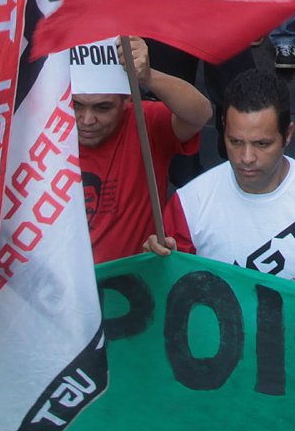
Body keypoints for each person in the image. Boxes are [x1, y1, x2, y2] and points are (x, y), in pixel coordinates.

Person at [150, 70, 295, 284]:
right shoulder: (188, 205)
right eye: (235, 142)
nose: (247, 158)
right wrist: (159, 264)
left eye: (262, 144)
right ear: (223, 128)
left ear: (288, 134)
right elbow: (169, 293)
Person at [73, 36, 216, 262]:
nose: (87, 120)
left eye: (102, 108)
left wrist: (149, 76)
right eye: (76, 105)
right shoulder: (43, 130)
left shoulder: (144, 123)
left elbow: (200, 113)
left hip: (129, 287)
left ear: (127, 101)